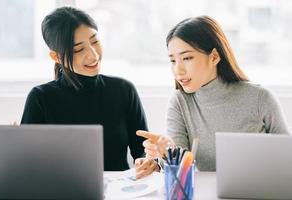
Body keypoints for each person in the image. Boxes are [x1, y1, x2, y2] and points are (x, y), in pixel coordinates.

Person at [135, 15, 290, 177]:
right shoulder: (180, 101)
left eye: (187, 58)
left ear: (214, 57)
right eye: (173, 60)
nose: (178, 70)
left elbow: (287, 157)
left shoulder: (261, 98)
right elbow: (183, 171)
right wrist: (165, 154)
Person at [21, 6, 148, 171]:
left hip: (119, 191)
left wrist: (148, 161)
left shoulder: (124, 90)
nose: (93, 55)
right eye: (79, 49)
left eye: (95, 41)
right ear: (56, 57)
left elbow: (143, 151)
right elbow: (27, 164)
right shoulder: (40, 98)